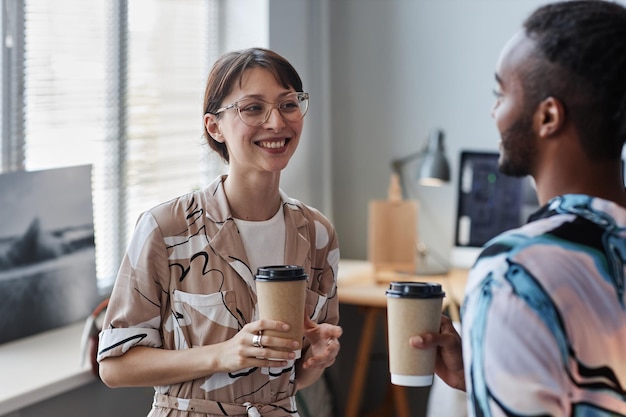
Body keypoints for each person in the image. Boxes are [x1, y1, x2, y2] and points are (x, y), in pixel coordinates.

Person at [97, 47, 342, 417]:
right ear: (215, 126)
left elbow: (288, 379)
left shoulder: (317, 233)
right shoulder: (165, 228)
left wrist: (314, 362)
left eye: (288, 104)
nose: (277, 122)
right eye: (253, 108)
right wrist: (223, 354)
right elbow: (114, 367)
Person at [411, 1, 626, 416]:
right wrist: (485, 380)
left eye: (501, 93)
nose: (494, 110)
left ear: (548, 115)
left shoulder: (512, 272)